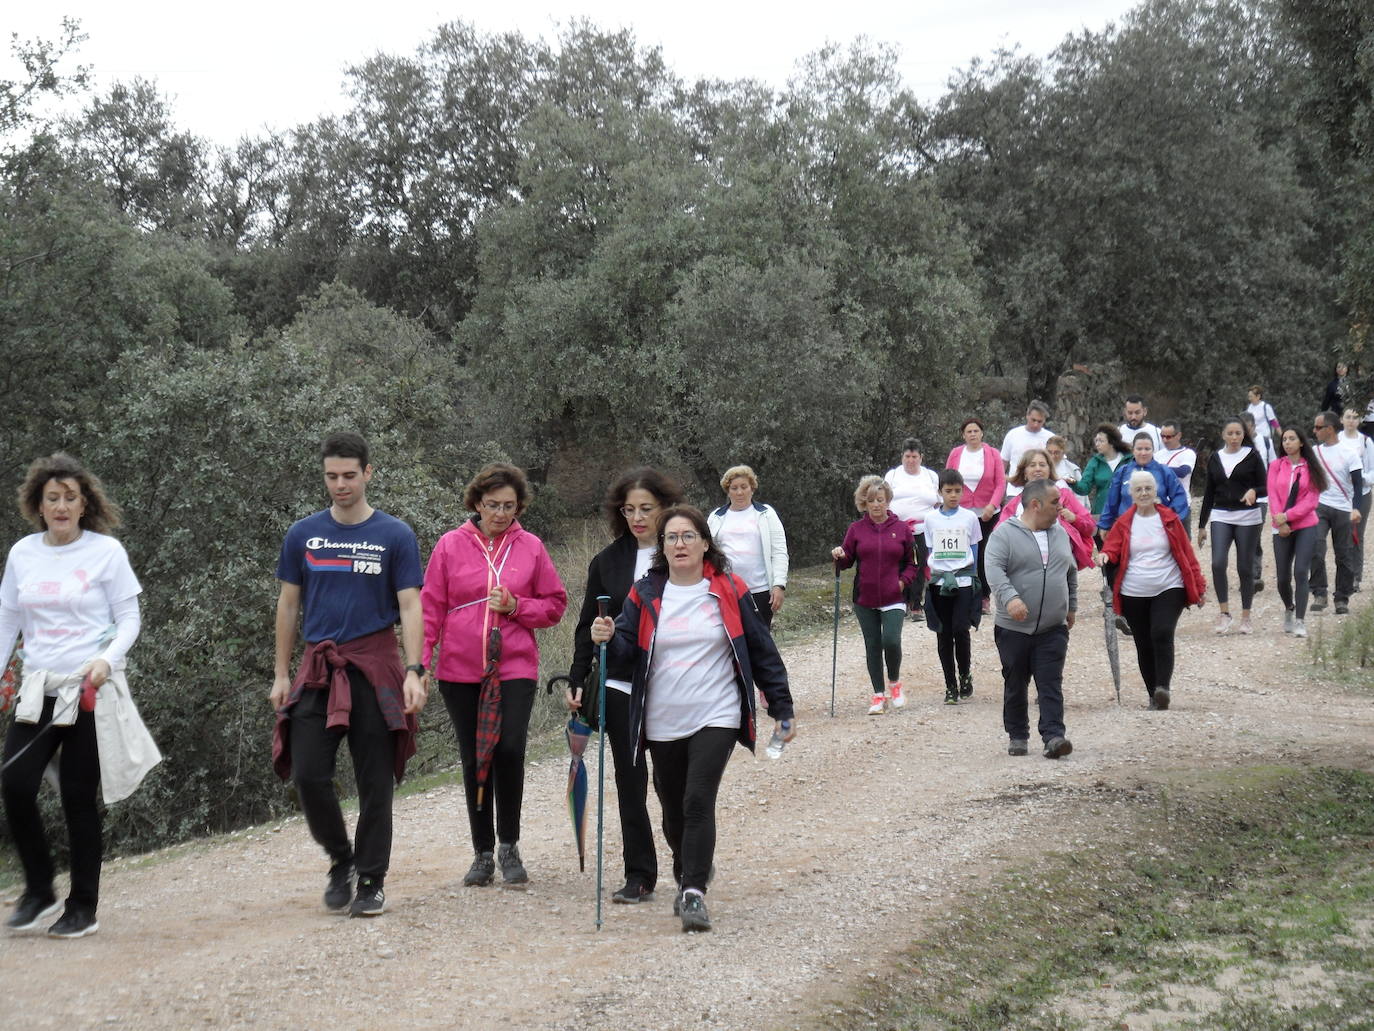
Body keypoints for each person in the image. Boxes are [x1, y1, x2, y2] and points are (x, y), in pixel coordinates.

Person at [590, 505, 794, 933]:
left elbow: (761, 649)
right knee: (673, 808)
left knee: (698, 799)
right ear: (662, 548)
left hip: (715, 712)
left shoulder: (727, 587)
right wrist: (605, 640)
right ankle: (689, 866)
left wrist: (781, 706)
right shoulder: (644, 594)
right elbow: (625, 654)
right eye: (670, 538)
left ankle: (693, 893)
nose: (679, 544)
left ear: (705, 543)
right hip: (662, 718)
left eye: (687, 536)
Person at [272, 432, 426, 919]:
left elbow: (410, 604)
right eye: (331, 476)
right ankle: (341, 859)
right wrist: (281, 673)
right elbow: (289, 603)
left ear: (367, 474)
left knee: (375, 780)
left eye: (349, 475)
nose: (340, 485)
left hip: (376, 664)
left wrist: (415, 670)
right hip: (319, 666)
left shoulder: (395, 535)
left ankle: (371, 880)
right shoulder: (303, 535)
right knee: (309, 773)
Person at [1, 454, 152, 939]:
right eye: (53, 499)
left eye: (70, 497)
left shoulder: (105, 553)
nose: (62, 506)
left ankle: (82, 906)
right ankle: (40, 888)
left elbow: (129, 618)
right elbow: (9, 623)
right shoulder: (23, 553)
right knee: (15, 783)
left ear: (84, 503)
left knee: (77, 798)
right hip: (39, 688)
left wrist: (106, 659)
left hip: (89, 689)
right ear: (38, 505)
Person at [422, 463, 567, 889]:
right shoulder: (449, 546)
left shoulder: (531, 547)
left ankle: (510, 845)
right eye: (492, 505)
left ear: (519, 505)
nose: (501, 514)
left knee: (509, 749)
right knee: (475, 757)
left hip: (514, 666)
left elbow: (555, 605)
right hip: (459, 669)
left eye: (509, 505)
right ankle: (482, 852)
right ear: (476, 503)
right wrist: (420, 663)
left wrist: (517, 606)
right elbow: (430, 608)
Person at [566, 467, 683, 904]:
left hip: (673, 684)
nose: (637, 517)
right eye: (629, 509)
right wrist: (578, 679)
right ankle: (639, 874)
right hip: (618, 682)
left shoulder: (682, 554)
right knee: (629, 780)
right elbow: (586, 627)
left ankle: (688, 865)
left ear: (666, 509)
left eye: (646, 509)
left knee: (671, 783)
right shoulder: (607, 561)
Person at [984, 479, 1077, 759]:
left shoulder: (1060, 533)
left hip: (1053, 627)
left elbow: (1069, 571)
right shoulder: (1004, 535)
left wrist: (1071, 605)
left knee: (1050, 682)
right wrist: (1010, 598)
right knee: (1016, 681)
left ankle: (1054, 737)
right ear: (1035, 505)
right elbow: (994, 569)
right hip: (1014, 628)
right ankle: (1017, 735)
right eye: (1055, 502)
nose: (1060, 507)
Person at [1100, 470, 1207, 711]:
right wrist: (1106, 555)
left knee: (1162, 631)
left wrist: (1198, 586)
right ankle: (1153, 695)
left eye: (1148, 488)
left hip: (1169, 586)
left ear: (1155, 491)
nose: (1144, 493)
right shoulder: (1125, 522)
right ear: (1132, 494)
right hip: (1133, 591)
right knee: (1143, 642)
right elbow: (1112, 548)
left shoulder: (1169, 519)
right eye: (1138, 489)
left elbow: (1187, 555)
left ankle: (1163, 688)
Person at [831, 475, 916, 715]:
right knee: (873, 645)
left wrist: (902, 583)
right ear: (864, 504)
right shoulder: (856, 529)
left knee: (891, 640)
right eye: (871, 501)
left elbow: (913, 563)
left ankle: (895, 684)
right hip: (864, 598)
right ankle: (878, 695)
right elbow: (847, 561)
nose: (876, 505)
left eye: (880, 500)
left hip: (894, 597)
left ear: (888, 500)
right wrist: (839, 555)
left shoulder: (902, 530)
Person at [1196, 419, 1267, 634]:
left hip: (1248, 515)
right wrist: (1201, 525)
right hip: (1221, 514)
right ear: (1223, 435)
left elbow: (1266, 486)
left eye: (1238, 433)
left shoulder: (1252, 456)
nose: (1235, 437)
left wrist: (1254, 491)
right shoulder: (1216, 458)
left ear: (1243, 435)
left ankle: (1246, 616)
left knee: (1244, 567)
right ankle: (1224, 613)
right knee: (1218, 563)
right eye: (1231, 433)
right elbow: (1209, 492)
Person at [922, 469, 983, 704]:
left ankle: (965, 673)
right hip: (940, 582)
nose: (953, 495)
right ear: (940, 493)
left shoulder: (969, 518)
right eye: (948, 491)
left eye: (957, 491)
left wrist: (974, 575)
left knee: (961, 628)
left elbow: (975, 548)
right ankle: (950, 685)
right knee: (943, 633)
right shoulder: (931, 519)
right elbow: (930, 550)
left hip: (963, 580)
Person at [707, 465, 788, 630]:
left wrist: (779, 585)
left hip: (760, 591)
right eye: (734, 488)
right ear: (727, 491)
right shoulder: (715, 517)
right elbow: (706, 553)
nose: (739, 492)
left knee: (760, 641)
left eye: (744, 487)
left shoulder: (767, 514)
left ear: (752, 488)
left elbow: (779, 551)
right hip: (726, 591)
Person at [1268, 427, 1326, 638]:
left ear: (1301, 442)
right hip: (1280, 526)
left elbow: (1311, 500)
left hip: (1305, 525)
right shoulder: (1275, 466)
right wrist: (1279, 519)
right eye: (1285, 439)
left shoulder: (1311, 468)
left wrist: (1289, 516)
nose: (1287, 442)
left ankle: (1301, 620)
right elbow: (1272, 495)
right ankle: (1289, 608)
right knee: (1283, 577)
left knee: (1301, 571)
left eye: (1292, 439)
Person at [996, 449, 1096, 570]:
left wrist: (1074, 519)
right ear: (1024, 473)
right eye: (1032, 465)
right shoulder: (1014, 505)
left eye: (1042, 465)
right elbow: (999, 535)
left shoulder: (1065, 496)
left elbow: (1090, 527)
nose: (1038, 469)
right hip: (1024, 566)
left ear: (1049, 470)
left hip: (1061, 565)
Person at [946, 417, 1006, 614]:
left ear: (982, 433)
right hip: (961, 513)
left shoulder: (993, 454)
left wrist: (992, 505)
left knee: (983, 555)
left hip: (987, 514)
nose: (972, 434)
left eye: (976, 431)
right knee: (961, 553)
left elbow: (1000, 483)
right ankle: (961, 594)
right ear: (963, 435)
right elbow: (948, 479)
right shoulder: (956, 454)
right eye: (969, 431)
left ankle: (983, 597)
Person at [1307, 411, 1364, 614]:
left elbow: (1358, 484)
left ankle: (1342, 598)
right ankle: (1319, 593)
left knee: (1344, 554)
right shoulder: (1314, 452)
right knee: (1315, 548)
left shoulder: (1349, 453)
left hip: (1343, 508)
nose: (1314, 431)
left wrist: (1356, 507)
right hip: (1319, 505)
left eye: (1318, 427)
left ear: (1329, 429)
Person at [884, 438, 940, 620]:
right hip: (896, 528)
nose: (911, 460)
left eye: (914, 456)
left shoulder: (930, 476)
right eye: (907, 456)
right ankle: (901, 601)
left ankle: (916, 604)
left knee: (919, 564)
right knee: (898, 565)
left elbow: (938, 501)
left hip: (923, 528)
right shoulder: (892, 476)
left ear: (921, 457)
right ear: (902, 457)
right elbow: (884, 499)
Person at [1097, 433, 1189, 534]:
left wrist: (1170, 520)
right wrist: (1105, 524)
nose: (1143, 453)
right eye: (1139, 449)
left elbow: (1179, 496)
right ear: (1133, 450)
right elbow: (1111, 501)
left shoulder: (1164, 471)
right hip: (1127, 530)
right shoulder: (1122, 472)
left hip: (1158, 529)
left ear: (1153, 450)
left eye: (1147, 449)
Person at [1240, 410, 1278, 593]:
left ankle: (1254, 575)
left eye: (1247, 429)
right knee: (1241, 537)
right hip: (1239, 497)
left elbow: (1275, 465)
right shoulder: (1234, 445)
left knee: (1253, 535)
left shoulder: (1265, 442)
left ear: (1253, 426)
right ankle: (1246, 574)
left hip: (1261, 496)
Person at [1339, 408, 1373, 590]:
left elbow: (1373, 471)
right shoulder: (1336, 441)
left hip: (1362, 494)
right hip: (1341, 495)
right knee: (1342, 536)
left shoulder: (1366, 442)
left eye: (1355, 417)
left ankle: (1356, 577)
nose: (1351, 421)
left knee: (1356, 535)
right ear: (1341, 419)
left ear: (1360, 420)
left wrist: (1361, 478)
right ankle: (1342, 575)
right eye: (1348, 417)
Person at [1073, 423, 1131, 522]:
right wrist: (1073, 483)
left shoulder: (1129, 459)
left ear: (1111, 442)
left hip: (1126, 511)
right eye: (1096, 440)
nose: (1097, 444)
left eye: (1101, 441)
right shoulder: (1095, 462)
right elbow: (1084, 488)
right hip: (1102, 512)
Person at [999, 400, 1054, 492]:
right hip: (1015, 491)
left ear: (1044, 420)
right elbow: (1003, 463)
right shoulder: (1013, 434)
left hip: (1043, 492)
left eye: (1039, 421)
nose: (1036, 424)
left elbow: (1058, 463)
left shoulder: (1050, 438)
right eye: (1033, 420)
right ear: (1027, 416)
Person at [1157, 421, 1198, 537]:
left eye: (1168, 436)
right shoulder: (1157, 455)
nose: (1165, 440)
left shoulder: (1188, 453)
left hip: (1181, 505)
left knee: (1183, 544)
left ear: (1178, 435)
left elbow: (1183, 471)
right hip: (1161, 505)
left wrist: (1160, 469)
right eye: (1162, 436)